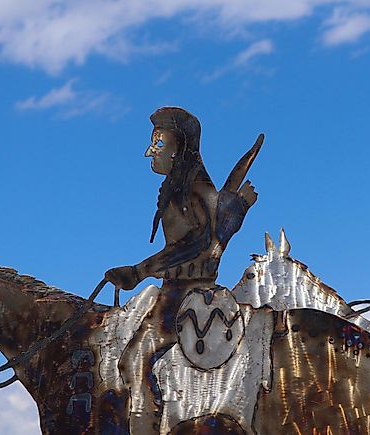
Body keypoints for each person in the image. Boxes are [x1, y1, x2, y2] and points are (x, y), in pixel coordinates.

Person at [104, 106, 262, 435]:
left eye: (158, 144)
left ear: (179, 151)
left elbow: (196, 244)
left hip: (183, 294)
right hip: (173, 291)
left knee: (134, 361)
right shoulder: (185, 188)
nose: (150, 151)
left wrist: (138, 271)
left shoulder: (193, 190)